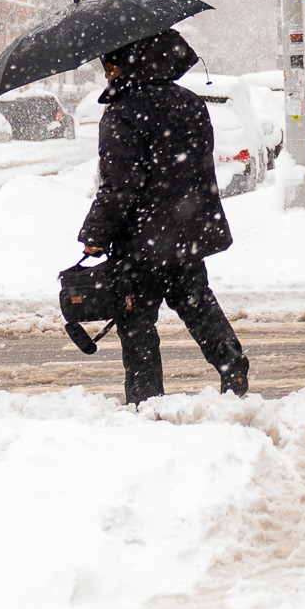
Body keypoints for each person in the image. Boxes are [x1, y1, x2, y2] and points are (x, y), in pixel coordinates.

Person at [76, 29, 248, 405]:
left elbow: (120, 184)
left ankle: (145, 399)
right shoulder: (190, 103)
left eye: (110, 64)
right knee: (197, 303)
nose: (107, 73)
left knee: (136, 322)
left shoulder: (122, 113)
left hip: (141, 241)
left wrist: (96, 232)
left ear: (124, 63)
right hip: (187, 232)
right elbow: (196, 167)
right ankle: (230, 362)